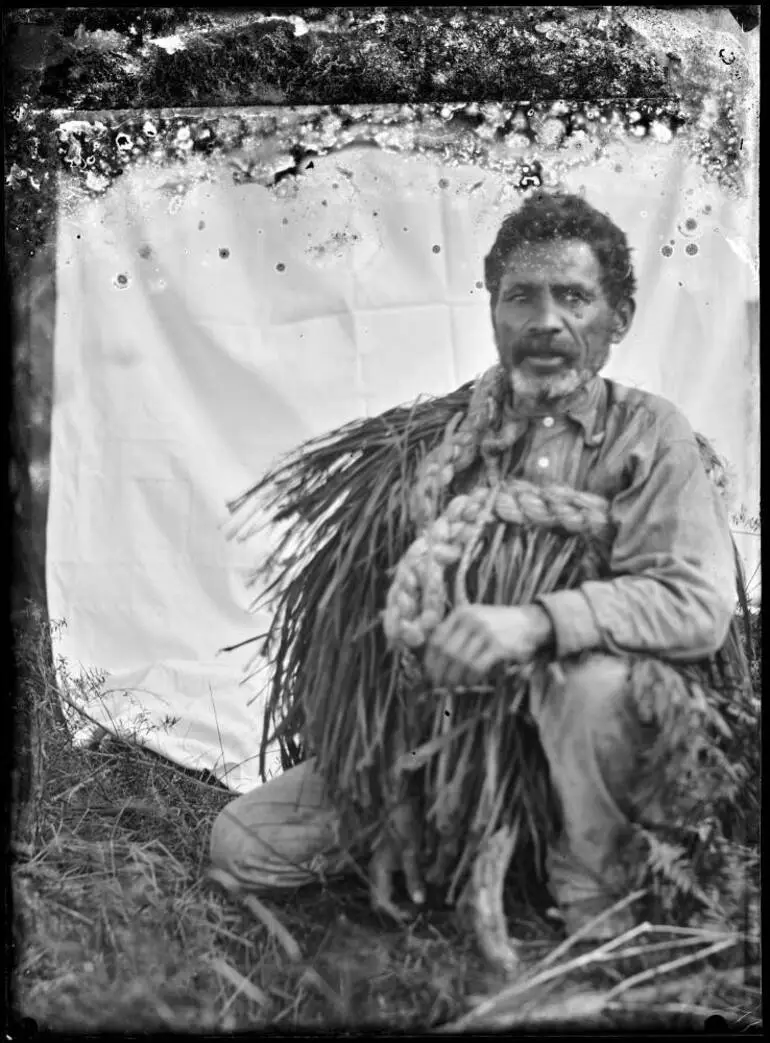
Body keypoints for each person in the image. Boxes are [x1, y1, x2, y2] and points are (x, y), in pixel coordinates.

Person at [209, 191, 737, 940]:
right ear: (493, 311)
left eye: (574, 297)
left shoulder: (654, 436)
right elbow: (374, 626)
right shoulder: (433, 438)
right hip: (446, 740)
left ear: (617, 318)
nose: (546, 321)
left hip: (591, 747)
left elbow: (696, 603)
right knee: (243, 844)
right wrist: (385, 783)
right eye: (522, 296)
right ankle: (445, 837)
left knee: (594, 683)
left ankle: (595, 891)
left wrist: (536, 621)